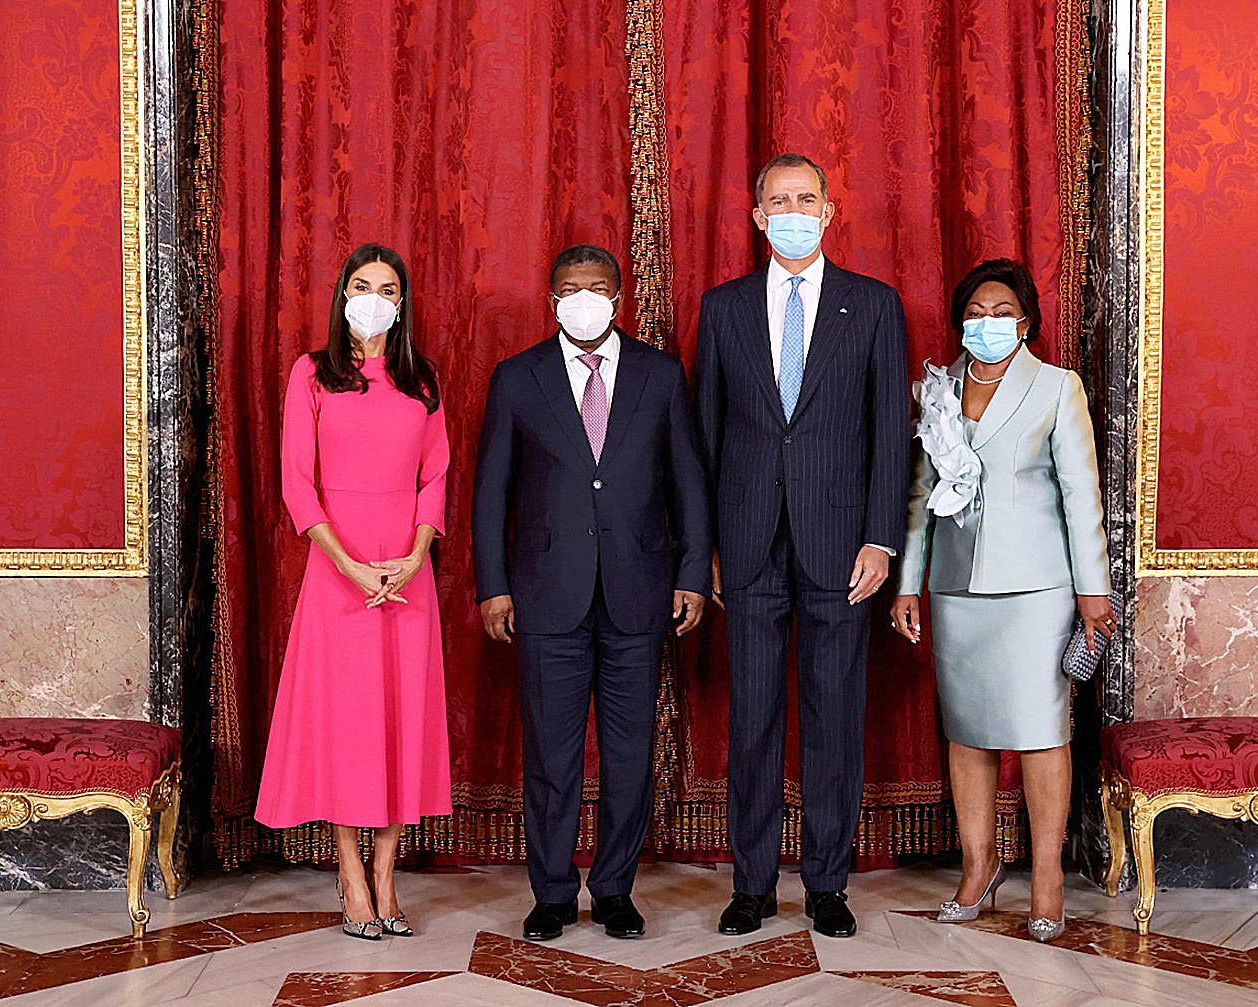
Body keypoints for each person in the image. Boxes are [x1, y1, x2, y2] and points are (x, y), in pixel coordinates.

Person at [695, 154, 909, 939]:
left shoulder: (874, 306)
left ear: (829, 208)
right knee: (752, 720)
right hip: (747, 546)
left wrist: (882, 539)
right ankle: (751, 883)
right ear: (756, 216)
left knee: (832, 718)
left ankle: (827, 882)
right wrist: (706, 549)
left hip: (841, 546)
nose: (791, 210)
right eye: (776, 201)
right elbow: (704, 440)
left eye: (805, 198)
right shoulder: (722, 309)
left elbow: (892, 433)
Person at [472, 244, 711, 942]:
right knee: (551, 752)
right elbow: (493, 493)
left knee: (630, 751)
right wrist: (494, 586)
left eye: (598, 287)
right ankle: (551, 891)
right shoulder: (518, 378)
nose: (585, 298)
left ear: (620, 295)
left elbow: (689, 482)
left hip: (640, 591)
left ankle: (613, 888)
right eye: (571, 288)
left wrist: (693, 573)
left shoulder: (661, 375)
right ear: (552, 298)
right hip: (546, 595)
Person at [889, 259, 1114, 943]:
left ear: (1026, 321)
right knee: (968, 730)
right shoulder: (940, 387)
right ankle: (979, 864)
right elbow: (922, 495)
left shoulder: (1056, 386)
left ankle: (1045, 875)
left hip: (1037, 586)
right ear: (962, 320)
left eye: (1001, 310)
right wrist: (908, 582)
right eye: (976, 311)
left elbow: (1080, 493)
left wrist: (1092, 589)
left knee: (1043, 733)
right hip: (958, 588)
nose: (987, 322)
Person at [256, 242, 452, 940]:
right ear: (343, 294)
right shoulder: (312, 374)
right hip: (339, 575)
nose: (375, 296)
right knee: (348, 726)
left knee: (401, 722)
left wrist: (414, 554)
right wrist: (351, 564)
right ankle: (349, 873)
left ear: (403, 302)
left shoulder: (422, 379)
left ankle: (389, 874)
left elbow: (437, 477)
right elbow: (296, 484)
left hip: (407, 576)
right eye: (363, 284)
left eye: (389, 287)